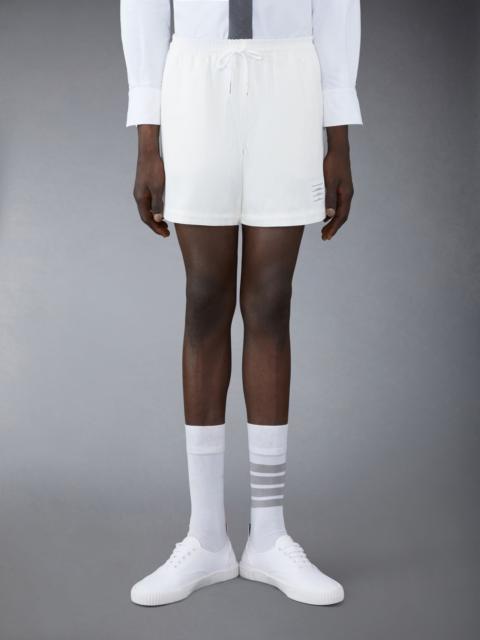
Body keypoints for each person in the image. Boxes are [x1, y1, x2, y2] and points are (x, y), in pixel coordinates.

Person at [120, 0, 362, 606]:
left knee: (271, 301)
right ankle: (206, 537)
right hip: (195, 81)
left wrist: (338, 139)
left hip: (290, 82)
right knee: (205, 299)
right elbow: (144, 11)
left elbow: (337, 11)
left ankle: (269, 537)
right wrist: (148, 140)